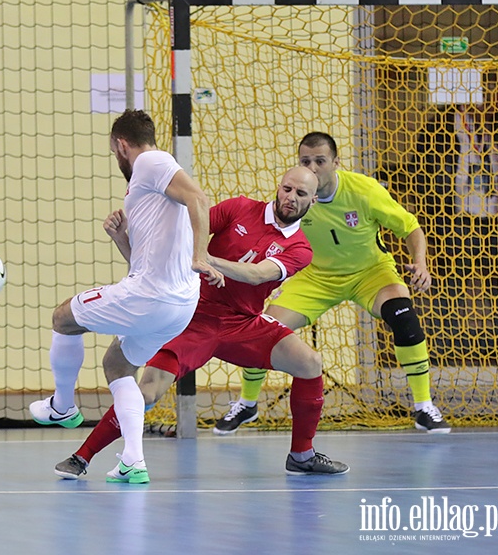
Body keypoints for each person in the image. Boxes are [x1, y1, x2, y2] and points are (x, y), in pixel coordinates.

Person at [54, 166, 350, 480]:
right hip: (192, 316)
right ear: (278, 187)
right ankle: (81, 456)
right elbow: (180, 239)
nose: (290, 198)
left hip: (242, 324)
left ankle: (302, 455)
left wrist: (205, 260)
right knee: (150, 391)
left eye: (300, 194)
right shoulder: (239, 208)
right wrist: (123, 238)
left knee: (309, 363)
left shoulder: (300, 248)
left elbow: (258, 274)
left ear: (313, 200)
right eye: (287, 189)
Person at [28, 109, 221, 484]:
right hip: (177, 305)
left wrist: (201, 254)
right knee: (118, 365)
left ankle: (63, 406)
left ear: (120, 145)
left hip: (152, 298)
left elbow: (199, 197)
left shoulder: (151, 161)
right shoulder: (149, 187)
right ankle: (133, 460)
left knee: (62, 318)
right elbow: (145, 264)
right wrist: (122, 240)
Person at [216, 132, 450, 436]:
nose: (312, 168)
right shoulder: (297, 197)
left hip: (371, 273)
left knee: (404, 316)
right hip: (315, 278)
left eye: (320, 161)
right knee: (262, 328)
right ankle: (247, 404)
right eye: (305, 161)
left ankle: (423, 406)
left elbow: (410, 228)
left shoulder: (363, 191)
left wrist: (420, 263)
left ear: (336, 162)